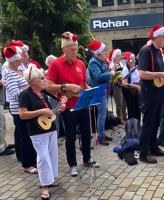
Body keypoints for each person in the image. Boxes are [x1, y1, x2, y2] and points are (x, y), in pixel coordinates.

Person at [46, 32, 99, 177]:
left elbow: (84, 84)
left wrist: (92, 91)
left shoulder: (81, 64)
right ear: (64, 50)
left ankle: (87, 159)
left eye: (76, 49)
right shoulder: (56, 64)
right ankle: (72, 164)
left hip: (83, 105)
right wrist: (66, 87)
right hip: (67, 107)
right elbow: (49, 86)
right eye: (71, 50)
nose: (75, 53)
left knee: (87, 133)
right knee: (70, 137)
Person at [19, 67, 66, 200]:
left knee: (52, 155)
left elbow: (49, 113)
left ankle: (49, 180)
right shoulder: (25, 94)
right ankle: (44, 186)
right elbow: (22, 114)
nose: (44, 80)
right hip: (36, 131)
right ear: (34, 81)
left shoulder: (43, 93)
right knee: (43, 157)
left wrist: (59, 108)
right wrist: (40, 112)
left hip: (50, 129)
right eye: (41, 78)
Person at [138, 24, 164, 164]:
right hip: (149, 92)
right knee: (148, 123)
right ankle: (143, 153)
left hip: (158, 90)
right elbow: (142, 74)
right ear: (158, 37)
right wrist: (161, 74)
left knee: (156, 121)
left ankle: (153, 147)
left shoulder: (158, 51)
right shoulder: (146, 51)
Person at [3, 45, 37, 172]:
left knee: (29, 135)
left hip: (27, 108)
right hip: (19, 110)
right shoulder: (9, 74)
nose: (20, 62)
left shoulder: (18, 70)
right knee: (24, 137)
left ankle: (33, 161)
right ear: (12, 61)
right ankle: (27, 164)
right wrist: (29, 89)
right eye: (17, 60)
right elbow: (16, 94)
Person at [87, 40, 114, 145]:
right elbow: (98, 77)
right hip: (98, 90)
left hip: (104, 88)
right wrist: (110, 74)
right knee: (102, 114)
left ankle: (102, 133)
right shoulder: (93, 62)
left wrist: (110, 67)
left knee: (104, 113)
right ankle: (100, 137)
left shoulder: (100, 60)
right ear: (98, 52)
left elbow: (105, 70)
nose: (105, 52)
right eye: (103, 50)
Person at [109, 49, 127, 123]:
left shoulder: (121, 64)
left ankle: (124, 116)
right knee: (119, 103)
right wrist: (118, 77)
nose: (120, 57)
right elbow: (111, 77)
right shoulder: (112, 65)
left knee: (124, 102)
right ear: (115, 57)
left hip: (122, 84)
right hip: (116, 85)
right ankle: (119, 118)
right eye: (119, 56)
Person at [121, 51, 141, 121]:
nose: (135, 61)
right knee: (132, 110)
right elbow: (124, 83)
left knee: (137, 109)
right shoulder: (125, 69)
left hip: (136, 92)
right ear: (129, 61)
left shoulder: (135, 68)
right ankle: (132, 127)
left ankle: (137, 125)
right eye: (134, 60)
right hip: (130, 92)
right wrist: (135, 86)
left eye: (135, 60)